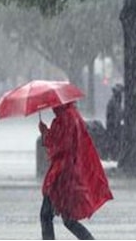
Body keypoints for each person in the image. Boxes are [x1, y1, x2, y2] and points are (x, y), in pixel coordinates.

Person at [38, 102, 113, 240]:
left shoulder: (64, 119)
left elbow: (60, 147)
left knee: (47, 215)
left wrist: (45, 134)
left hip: (62, 176)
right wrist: (47, 134)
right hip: (70, 174)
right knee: (68, 219)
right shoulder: (71, 116)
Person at [105, 84, 124, 161]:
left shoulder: (115, 101)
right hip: (113, 124)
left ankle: (114, 154)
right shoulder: (113, 101)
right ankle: (112, 155)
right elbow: (116, 114)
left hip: (114, 123)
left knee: (115, 139)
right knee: (114, 139)